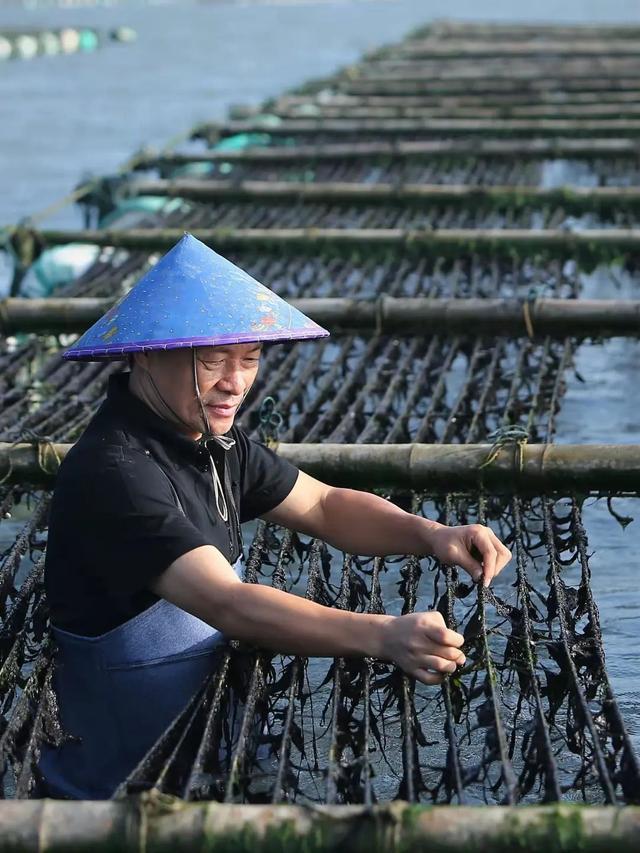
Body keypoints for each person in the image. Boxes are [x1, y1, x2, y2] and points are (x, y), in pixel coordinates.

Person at [38, 234, 511, 799]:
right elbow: (227, 603)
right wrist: (384, 635)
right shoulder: (116, 473)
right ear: (142, 353)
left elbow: (322, 504)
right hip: (114, 795)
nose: (234, 384)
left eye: (250, 360)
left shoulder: (211, 440)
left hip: (203, 753)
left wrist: (431, 534)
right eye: (211, 360)